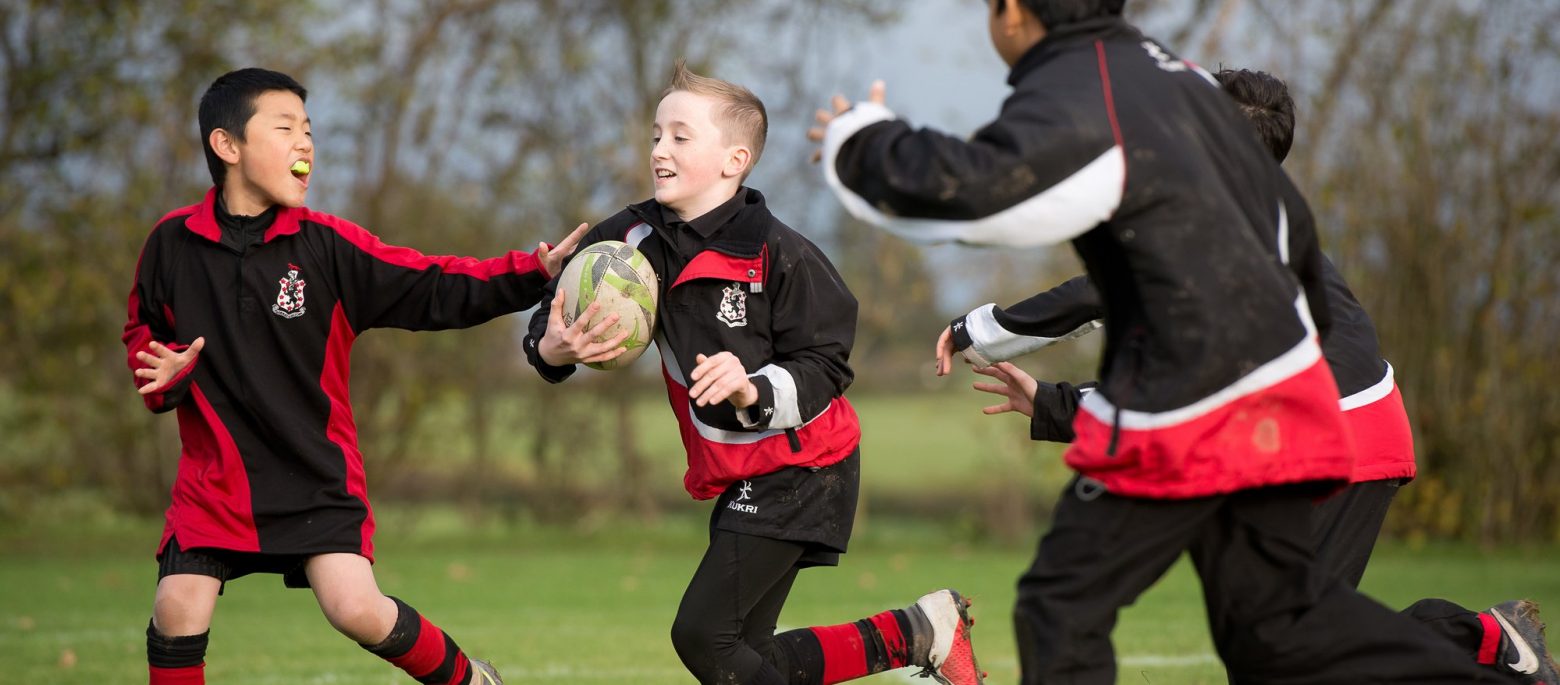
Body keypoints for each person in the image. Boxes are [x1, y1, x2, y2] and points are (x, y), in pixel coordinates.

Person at [810, 0, 1530, 682]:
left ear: (1013, 11)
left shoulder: (1099, 89)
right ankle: (1490, 649)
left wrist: (861, 144)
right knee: (1278, 640)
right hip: (1279, 411)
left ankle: (1484, 647)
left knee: (1069, 604)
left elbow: (991, 194)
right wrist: (1052, 398)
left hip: (1305, 423)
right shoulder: (1164, 77)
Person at [124, 67, 594, 685]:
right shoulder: (172, 244)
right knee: (177, 608)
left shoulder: (328, 248)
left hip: (316, 477)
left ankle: (473, 681)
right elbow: (143, 339)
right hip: (217, 482)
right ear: (227, 146)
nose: (305, 145)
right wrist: (166, 374)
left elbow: (434, 283)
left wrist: (532, 270)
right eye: (285, 127)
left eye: (310, 131)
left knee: (354, 609)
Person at [524, 61, 984, 685]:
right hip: (747, 471)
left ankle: (917, 634)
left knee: (703, 638)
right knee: (748, 655)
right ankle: (917, 632)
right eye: (656, 134)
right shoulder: (628, 239)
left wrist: (752, 389)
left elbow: (827, 363)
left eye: (681, 137)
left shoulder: (780, 252)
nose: (660, 148)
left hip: (806, 465)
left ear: (734, 160)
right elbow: (549, 318)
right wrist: (552, 351)